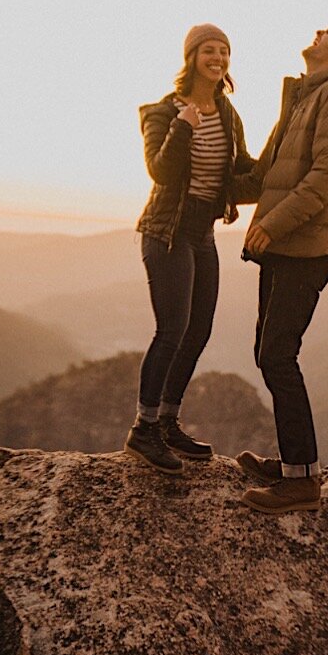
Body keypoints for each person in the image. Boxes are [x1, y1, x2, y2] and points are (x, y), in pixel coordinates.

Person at [232, 25, 328, 513]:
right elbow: (265, 175)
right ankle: (297, 467)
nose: (317, 31)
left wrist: (272, 223)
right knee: (266, 352)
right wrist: (204, 192)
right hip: (288, 243)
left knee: (277, 354)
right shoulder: (301, 99)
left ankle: (302, 485)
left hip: (309, 244)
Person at [125, 24, 256, 474]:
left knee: (199, 330)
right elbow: (160, 172)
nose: (217, 57)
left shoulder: (228, 114)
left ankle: (167, 421)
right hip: (166, 234)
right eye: (208, 50)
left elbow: (240, 174)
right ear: (191, 57)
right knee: (172, 330)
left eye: (223, 50)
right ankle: (143, 430)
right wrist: (183, 125)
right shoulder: (163, 112)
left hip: (203, 236)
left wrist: (290, 167)